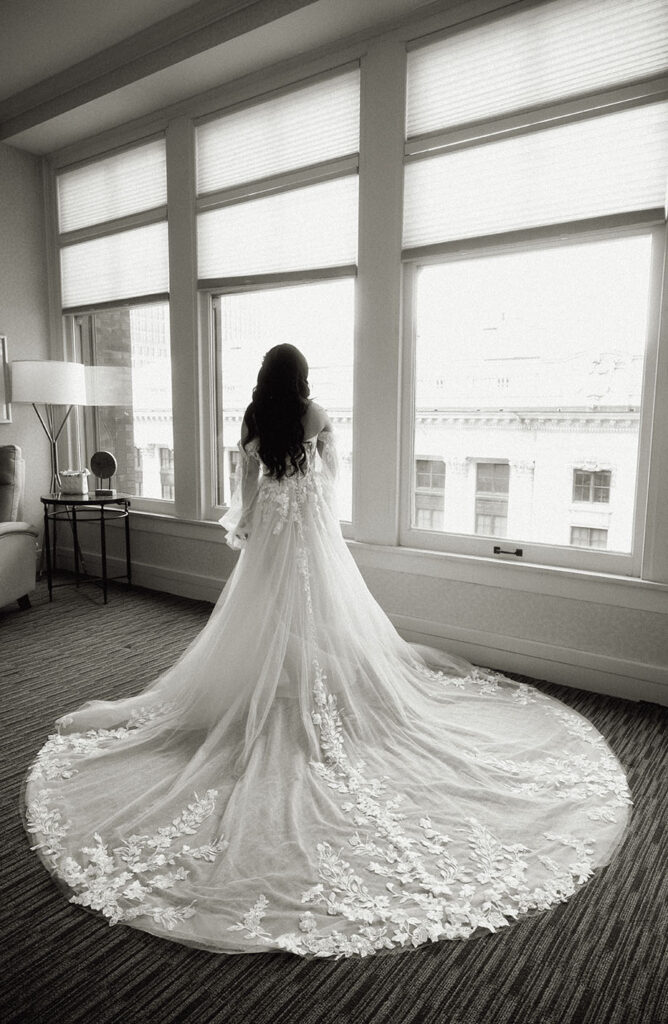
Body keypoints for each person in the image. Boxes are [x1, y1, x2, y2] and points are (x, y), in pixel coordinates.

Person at [23, 344, 631, 958]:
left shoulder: (254, 418)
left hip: (274, 535)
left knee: (268, 615)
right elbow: (331, 470)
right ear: (302, 378)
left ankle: (277, 685)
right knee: (314, 614)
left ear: (266, 378)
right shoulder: (314, 415)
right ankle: (306, 688)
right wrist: (311, 492)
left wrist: (246, 524)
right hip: (311, 531)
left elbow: (247, 485)